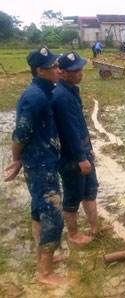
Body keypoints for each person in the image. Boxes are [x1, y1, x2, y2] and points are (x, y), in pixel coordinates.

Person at [4, 47, 66, 286]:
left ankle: (43, 257)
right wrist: (17, 159)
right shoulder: (36, 96)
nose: (58, 71)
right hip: (40, 164)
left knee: (39, 211)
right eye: (53, 67)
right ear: (40, 71)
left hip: (43, 161)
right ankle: (45, 272)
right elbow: (21, 132)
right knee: (53, 216)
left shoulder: (43, 91)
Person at [52, 51, 100, 245]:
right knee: (73, 195)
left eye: (80, 68)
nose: (80, 73)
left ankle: (95, 226)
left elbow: (80, 125)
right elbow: (69, 131)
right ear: (62, 72)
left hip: (82, 151)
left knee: (90, 189)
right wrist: (81, 158)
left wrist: (88, 148)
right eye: (75, 70)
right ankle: (73, 234)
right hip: (71, 156)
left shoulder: (72, 90)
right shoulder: (60, 97)